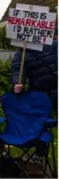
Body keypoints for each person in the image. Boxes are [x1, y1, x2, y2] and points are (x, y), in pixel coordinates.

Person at [11, 31, 58, 163]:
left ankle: (39, 155)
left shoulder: (53, 45)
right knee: (40, 124)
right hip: (40, 93)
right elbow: (17, 70)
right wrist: (17, 83)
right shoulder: (21, 53)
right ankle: (40, 154)